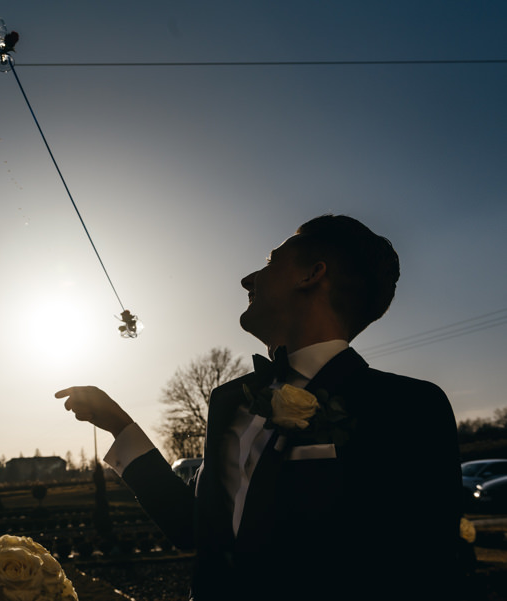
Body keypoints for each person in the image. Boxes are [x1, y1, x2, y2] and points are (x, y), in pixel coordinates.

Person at [56, 215, 462, 601]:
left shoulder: (410, 408)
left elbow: (430, 571)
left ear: (311, 275)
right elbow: (192, 527)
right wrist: (119, 425)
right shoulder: (229, 401)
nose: (247, 279)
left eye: (270, 262)